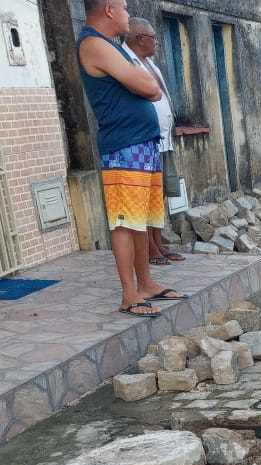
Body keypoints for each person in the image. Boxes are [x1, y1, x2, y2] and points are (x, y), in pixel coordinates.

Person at [77, 0, 183, 318]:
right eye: (123, 8)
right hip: (124, 147)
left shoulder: (113, 46)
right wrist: (143, 87)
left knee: (142, 220)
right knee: (125, 222)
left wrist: (144, 87)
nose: (128, 14)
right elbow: (149, 86)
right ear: (109, 9)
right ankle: (129, 295)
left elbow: (151, 88)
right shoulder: (94, 43)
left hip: (142, 144)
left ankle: (146, 284)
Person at [126, 17, 184, 266]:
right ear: (140, 39)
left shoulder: (149, 64)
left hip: (163, 141)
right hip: (146, 141)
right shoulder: (127, 63)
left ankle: (159, 244)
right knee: (147, 197)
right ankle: (150, 248)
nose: (157, 43)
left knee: (160, 195)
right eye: (153, 38)